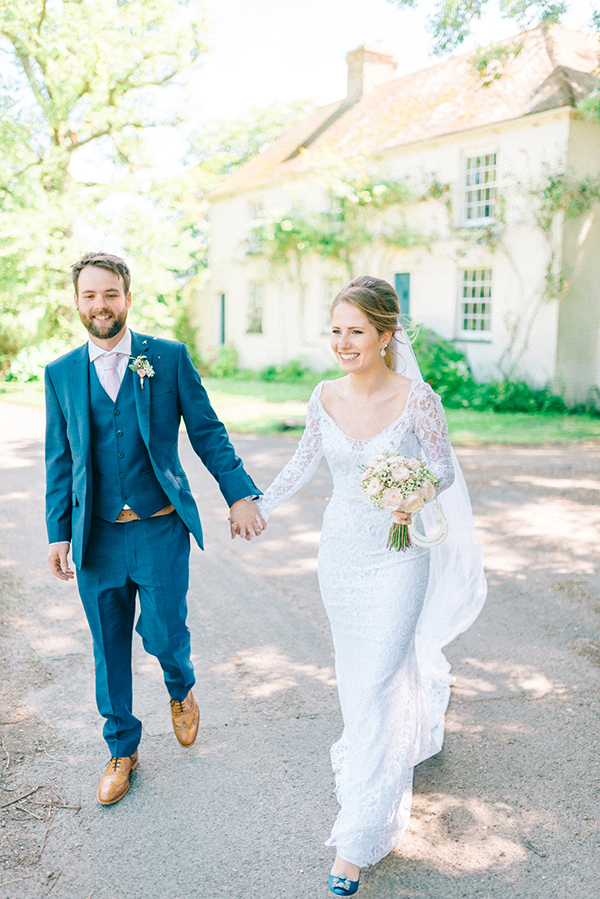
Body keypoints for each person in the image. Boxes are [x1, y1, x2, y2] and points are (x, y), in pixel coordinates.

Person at [247, 276, 487, 895]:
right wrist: (261, 504)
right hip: (342, 555)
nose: (344, 343)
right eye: (336, 331)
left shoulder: (418, 399)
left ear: (386, 335)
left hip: (398, 557)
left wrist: (413, 492)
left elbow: (441, 467)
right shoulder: (323, 395)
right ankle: (376, 762)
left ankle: (356, 837)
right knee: (359, 677)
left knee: (380, 674)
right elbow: (304, 459)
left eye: (357, 331)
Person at [45, 251, 266, 806]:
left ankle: (180, 688)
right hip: (97, 537)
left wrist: (239, 494)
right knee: (108, 647)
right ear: (77, 302)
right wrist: (58, 532)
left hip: (159, 529)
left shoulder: (165, 358)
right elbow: (61, 461)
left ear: (126, 297)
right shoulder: (60, 374)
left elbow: (208, 431)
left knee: (165, 634)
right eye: (90, 295)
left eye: (110, 294)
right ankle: (122, 747)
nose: (100, 305)